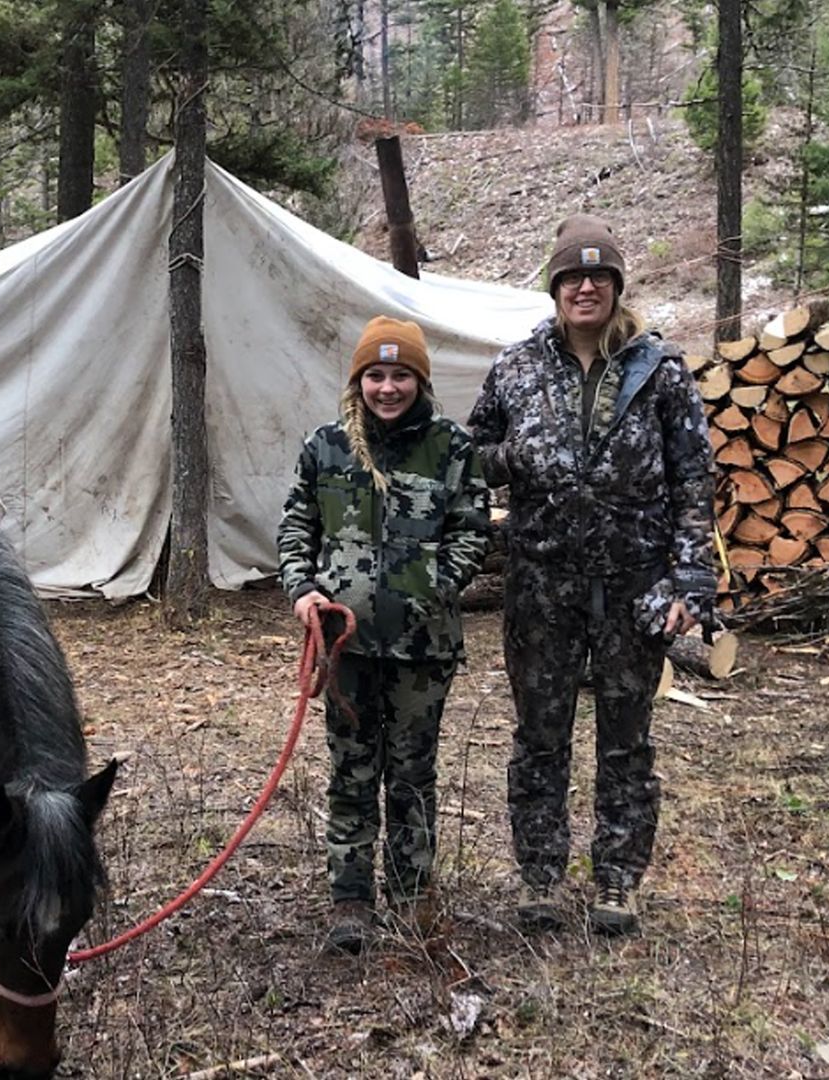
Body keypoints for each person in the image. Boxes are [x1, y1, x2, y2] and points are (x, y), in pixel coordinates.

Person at [466, 214, 715, 936]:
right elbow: (475, 455)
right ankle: (540, 876)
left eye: (598, 274)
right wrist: (518, 459)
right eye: (572, 275)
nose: (585, 286)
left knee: (626, 740)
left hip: (635, 584)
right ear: (554, 286)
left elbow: (694, 478)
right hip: (542, 584)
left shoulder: (658, 369)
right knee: (539, 737)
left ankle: (616, 880)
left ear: (616, 286)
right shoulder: (515, 367)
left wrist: (691, 582)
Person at [277, 315, 491, 955]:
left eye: (401, 375)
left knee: (411, 773)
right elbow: (296, 528)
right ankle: (350, 898)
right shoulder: (325, 446)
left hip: (423, 648)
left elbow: (473, 531)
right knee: (350, 770)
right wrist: (302, 589)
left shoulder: (451, 446)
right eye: (376, 374)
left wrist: (427, 589)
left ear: (419, 381)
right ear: (359, 380)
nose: (388, 387)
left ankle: (412, 891)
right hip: (345, 647)